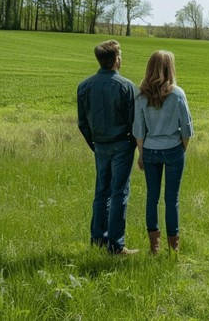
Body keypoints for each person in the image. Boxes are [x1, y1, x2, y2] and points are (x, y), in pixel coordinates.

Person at [77, 40, 139, 255]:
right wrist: (134, 144)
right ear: (116, 60)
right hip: (122, 143)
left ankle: (98, 239)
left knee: (101, 191)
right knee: (119, 192)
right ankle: (116, 245)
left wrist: (93, 144)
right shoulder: (126, 87)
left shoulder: (84, 86)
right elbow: (134, 122)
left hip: (100, 144)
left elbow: (82, 123)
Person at [133, 50, 193, 254]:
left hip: (150, 149)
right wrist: (181, 149)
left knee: (152, 197)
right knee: (171, 199)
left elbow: (139, 130)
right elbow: (187, 129)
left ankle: (154, 246)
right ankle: (173, 247)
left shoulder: (141, 96)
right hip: (173, 149)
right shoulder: (177, 94)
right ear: (170, 68)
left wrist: (141, 154)